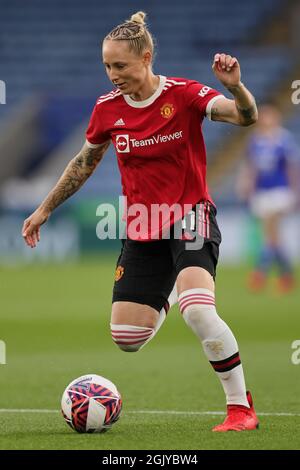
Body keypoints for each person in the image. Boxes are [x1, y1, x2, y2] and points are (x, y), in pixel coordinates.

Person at [22, 11, 259, 432]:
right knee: (127, 339)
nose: (113, 75)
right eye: (107, 67)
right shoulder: (107, 109)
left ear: (146, 58)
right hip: (142, 225)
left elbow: (246, 117)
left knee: (198, 311)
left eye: (120, 66)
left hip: (190, 215)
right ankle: (172, 281)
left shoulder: (185, 95)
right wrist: (44, 209)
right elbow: (83, 163)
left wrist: (236, 88)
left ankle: (240, 408)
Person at [237, 104, 299, 293]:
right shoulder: (255, 141)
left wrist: (296, 192)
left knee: (270, 233)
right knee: (273, 238)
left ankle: (259, 274)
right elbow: (251, 167)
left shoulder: (284, 140)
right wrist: (246, 184)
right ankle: (285, 276)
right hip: (262, 193)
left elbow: (292, 169)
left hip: (280, 192)